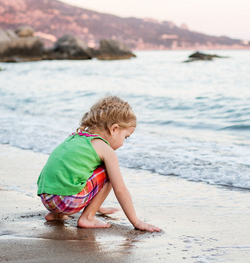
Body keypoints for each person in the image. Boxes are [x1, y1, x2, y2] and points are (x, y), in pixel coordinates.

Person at [37, 95, 161, 232]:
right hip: (66, 201)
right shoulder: (105, 149)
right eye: (125, 137)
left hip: (47, 199)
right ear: (114, 129)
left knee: (83, 171)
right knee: (108, 173)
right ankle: (88, 217)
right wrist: (136, 222)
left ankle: (56, 214)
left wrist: (99, 207)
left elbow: (72, 175)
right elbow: (120, 190)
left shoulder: (76, 137)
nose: (123, 143)